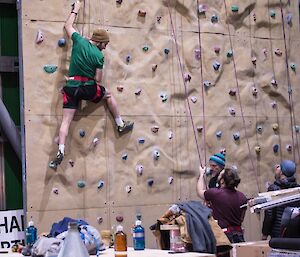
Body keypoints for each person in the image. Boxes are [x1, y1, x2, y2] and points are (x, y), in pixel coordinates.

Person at [49, 1, 134, 170]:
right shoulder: (99, 56)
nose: (106, 47)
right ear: (100, 42)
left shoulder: (79, 41)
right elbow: (98, 79)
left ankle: (60, 150)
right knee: (108, 94)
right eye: (105, 44)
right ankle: (120, 124)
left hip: (71, 86)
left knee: (66, 121)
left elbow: (68, 25)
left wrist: (76, 9)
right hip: (87, 87)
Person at [197, 167, 248, 243]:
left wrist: (201, 174)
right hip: (238, 235)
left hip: (223, 237)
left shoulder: (215, 193)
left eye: (220, 175)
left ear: (222, 181)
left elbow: (200, 191)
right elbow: (241, 218)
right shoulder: (242, 197)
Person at [262, 160, 300, 239]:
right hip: (294, 233)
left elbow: (269, 214)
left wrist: (265, 233)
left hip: (278, 233)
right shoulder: (297, 190)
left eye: (279, 167)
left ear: (282, 172)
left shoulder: (274, 189)